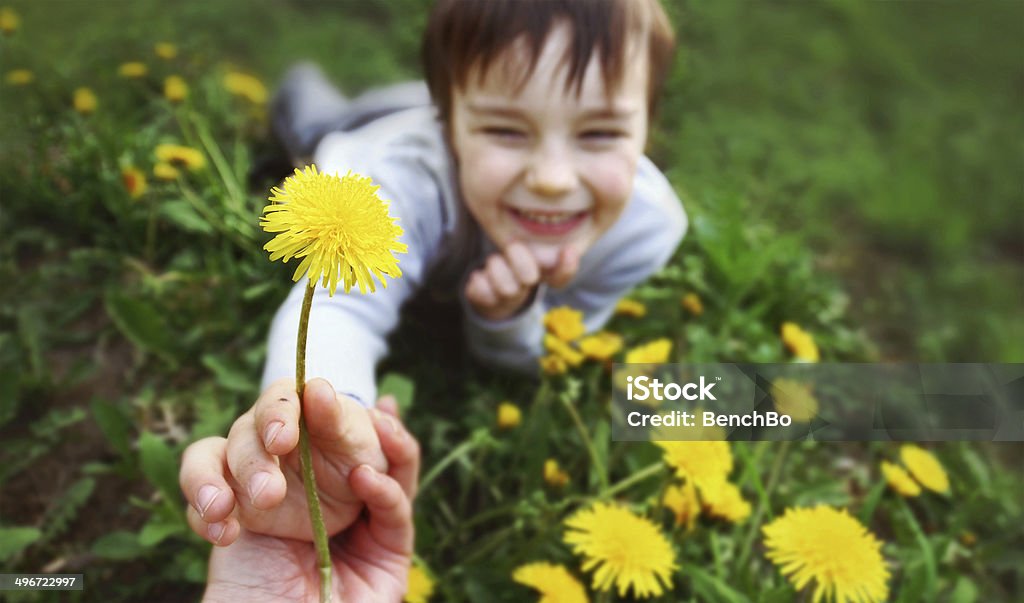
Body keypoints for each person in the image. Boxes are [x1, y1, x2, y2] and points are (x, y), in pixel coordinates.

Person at [181, 0, 684, 598]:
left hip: (441, 105)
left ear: (647, 127)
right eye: (505, 129)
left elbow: (550, 352)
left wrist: (508, 319)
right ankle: (304, 94)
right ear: (451, 127)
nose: (554, 177)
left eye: (600, 133)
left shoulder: (644, 231)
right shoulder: (400, 183)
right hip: (370, 135)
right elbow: (341, 307)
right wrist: (329, 425)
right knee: (308, 125)